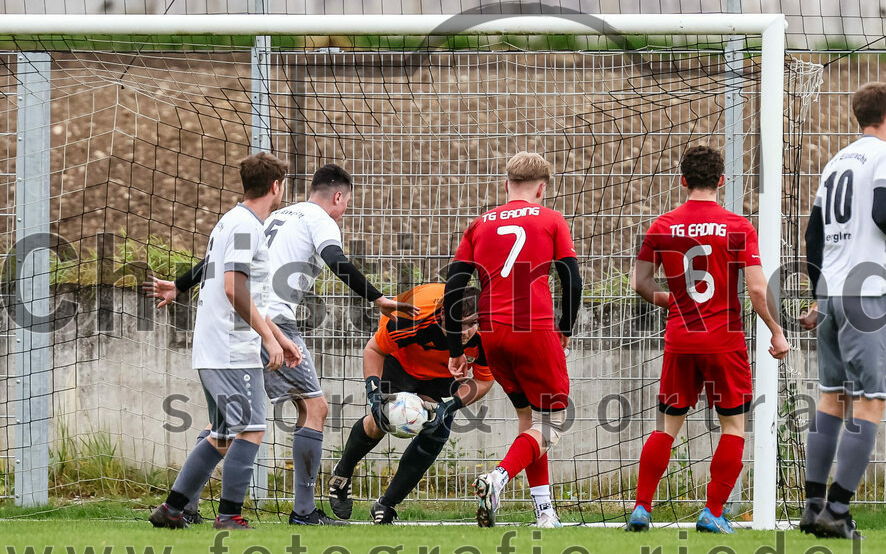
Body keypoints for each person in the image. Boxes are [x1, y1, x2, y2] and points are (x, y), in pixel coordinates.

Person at [146, 163, 415, 525]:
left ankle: (183, 505)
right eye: (346, 202)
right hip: (268, 320)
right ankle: (301, 512)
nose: (345, 209)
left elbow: (222, 260)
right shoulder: (321, 219)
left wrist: (180, 284)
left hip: (246, 319)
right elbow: (336, 260)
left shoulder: (270, 217)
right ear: (337, 196)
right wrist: (377, 297)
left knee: (229, 420)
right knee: (313, 409)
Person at [627, 144, 789, 533]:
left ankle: (641, 509)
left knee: (665, 427)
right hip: (724, 340)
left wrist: (667, 299)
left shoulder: (662, 226)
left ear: (683, 181)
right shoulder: (738, 227)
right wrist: (777, 331)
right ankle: (713, 512)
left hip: (680, 339)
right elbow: (754, 287)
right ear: (721, 180)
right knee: (733, 427)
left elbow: (640, 282)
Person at [799, 82, 886, 539]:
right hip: (868, 295)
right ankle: (837, 511)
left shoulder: (837, 160)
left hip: (834, 295)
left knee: (830, 398)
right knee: (870, 401)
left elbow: (812, 235)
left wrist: (818, 293)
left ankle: (813, 505)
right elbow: (883, 212)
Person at [148, 151, 302, 530]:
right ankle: (229, 515)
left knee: (221, 435)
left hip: (215, 346)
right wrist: (267, 338)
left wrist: (279, 338)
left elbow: (248, 295)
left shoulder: (230, 222)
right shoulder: (247, 227)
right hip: (232, 349)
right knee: (250, 428)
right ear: (275, 187)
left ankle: (171, 510)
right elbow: (234, 289)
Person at [444, 151, 583, 528]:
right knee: (553, 421)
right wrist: (565, 328)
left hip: (493, 334)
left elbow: (454, 286)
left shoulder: (479, 224)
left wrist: (457, 350)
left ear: (507, 185)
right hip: (534, 328)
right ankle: (498, 478)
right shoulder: (552, 219)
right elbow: (571, 279)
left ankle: (545, 513)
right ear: (542, 188)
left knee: (529, 420)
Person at [327, 283, 494, 524]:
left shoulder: (487, 333)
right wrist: (374, 395)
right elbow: (374, 349)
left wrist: (448, 406)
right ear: (441, 316)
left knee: (435, 430)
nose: (465, 332)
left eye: (471, 323)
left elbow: (484, 380)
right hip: (401, 363)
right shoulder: (410, 316)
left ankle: (386, 504)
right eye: (458, 325)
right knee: (378, 422)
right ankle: (341, 473)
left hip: (442, 376)